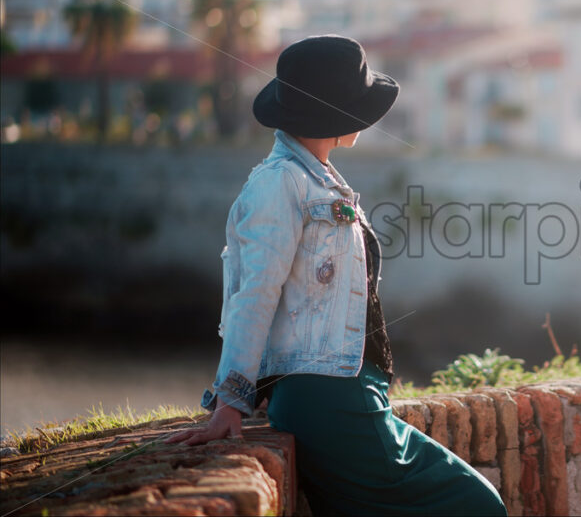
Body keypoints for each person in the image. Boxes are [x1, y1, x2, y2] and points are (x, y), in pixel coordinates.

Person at [167, 35, 507, 517]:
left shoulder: (316, 177)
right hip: (330, 402)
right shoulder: (280, 181)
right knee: (477, 506)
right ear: (336, 115)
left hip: (352, 397)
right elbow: (256, 293)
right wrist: (231, 401)